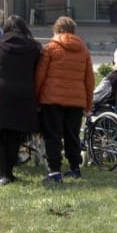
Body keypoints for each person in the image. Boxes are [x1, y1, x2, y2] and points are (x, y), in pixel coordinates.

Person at [0, 15, 42, 185]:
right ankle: (9, 172)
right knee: (14, 133)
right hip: (22, 92)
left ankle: (2, 174)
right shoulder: (33, 47)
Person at [36, 16, 94, 184]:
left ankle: (55, 172)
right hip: (76, 100)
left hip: (52, 99)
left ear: (57, 30)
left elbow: (40, 75)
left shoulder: (50, 48)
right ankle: (75, 168)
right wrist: (88, 102)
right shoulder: (83, 51)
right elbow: (89, 79)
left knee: (53, 136)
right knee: (72, 135)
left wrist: (36, 97)